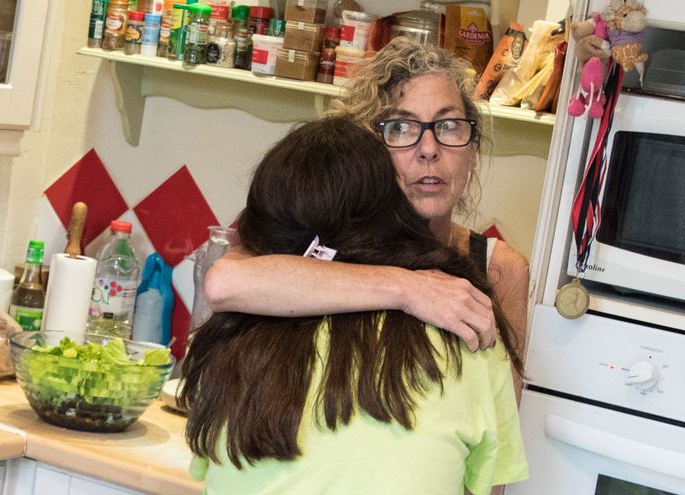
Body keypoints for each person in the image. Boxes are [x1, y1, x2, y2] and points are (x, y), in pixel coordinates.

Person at [181, 117, 528, 495]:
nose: (426, 150)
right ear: (392, 211)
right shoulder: (469, 328)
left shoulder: (231, 339)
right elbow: (489, 486)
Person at [203, 37, 529, 401]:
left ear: (472, 150)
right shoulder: (319, 234)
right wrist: (410, 289)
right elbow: (224, 283)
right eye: (400, 129)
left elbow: (504, 418)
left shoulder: (501, 269)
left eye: (449, 125)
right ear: (367, 150)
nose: (429, 150)